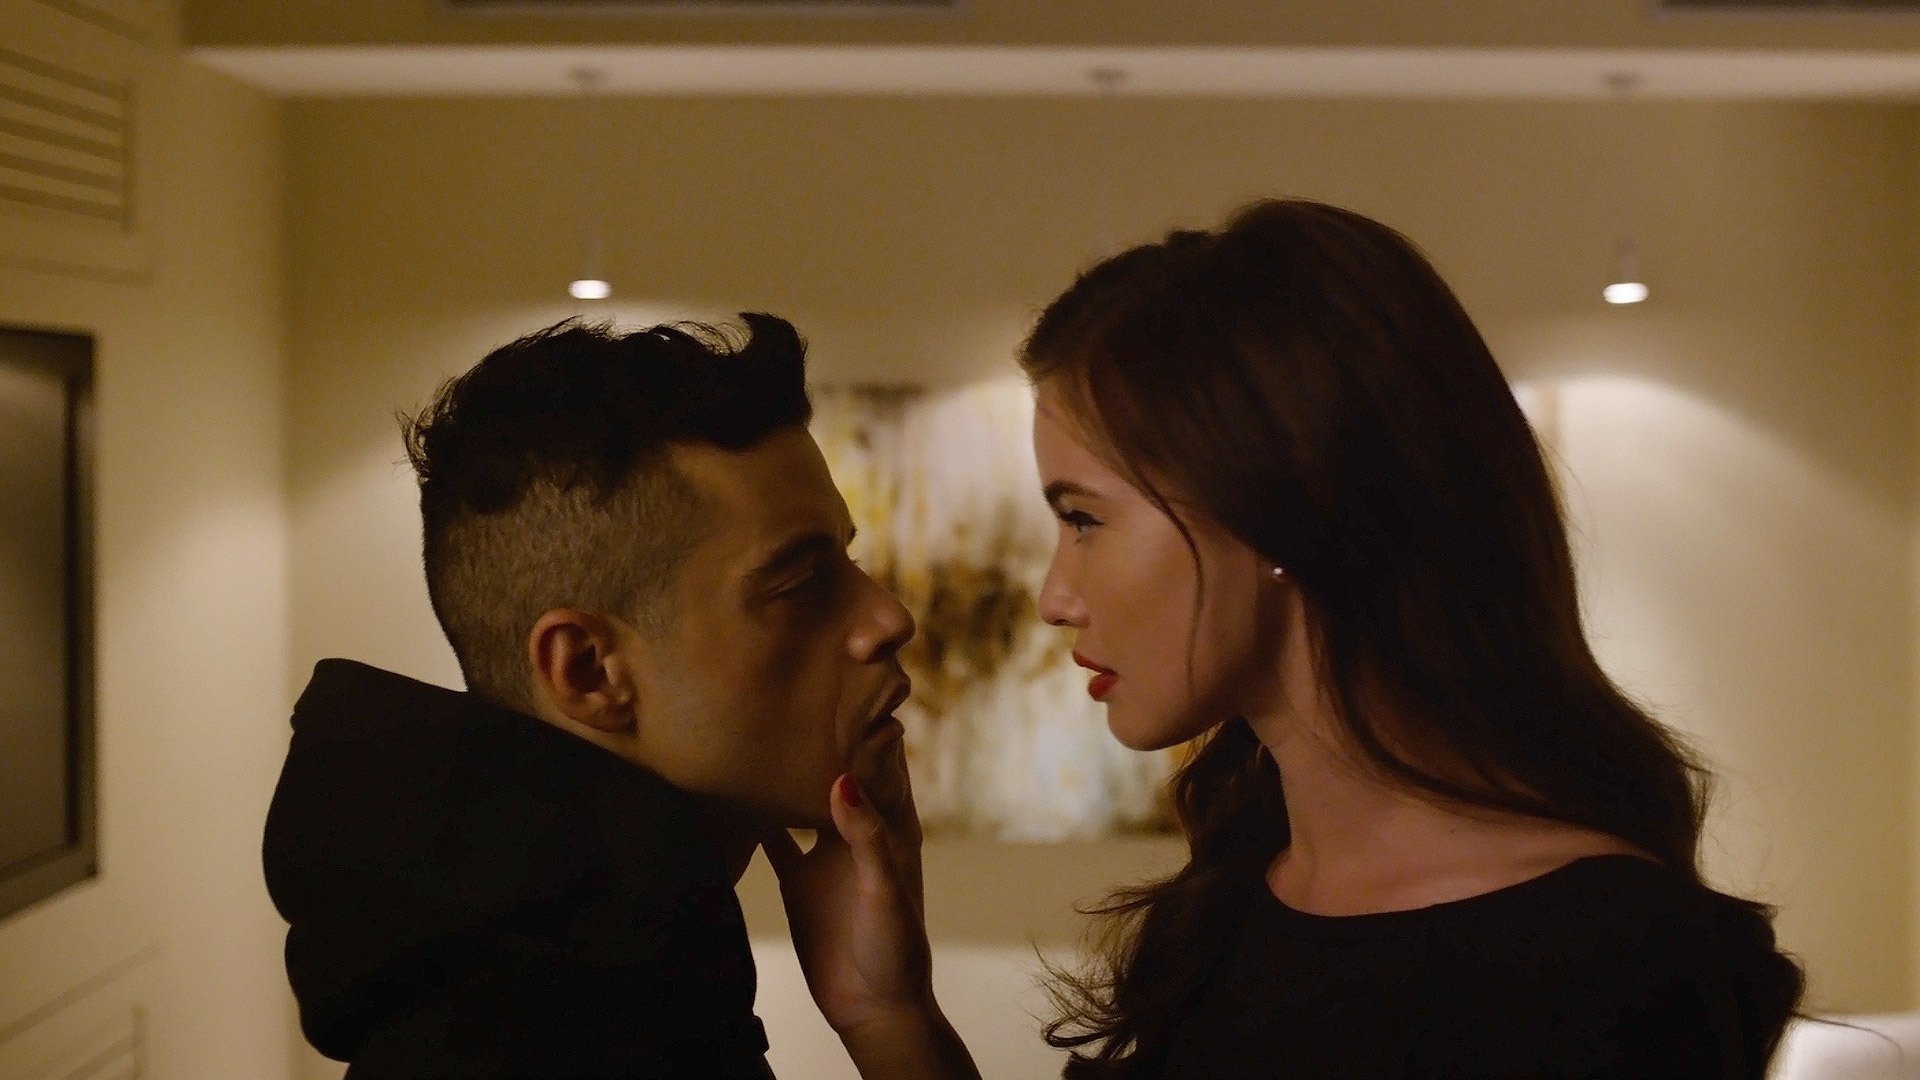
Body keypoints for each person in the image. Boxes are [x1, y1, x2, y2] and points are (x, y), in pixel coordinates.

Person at [768, 200, 1806, 1079]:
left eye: (1083, 519)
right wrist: (888, 1012)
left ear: (1271, 505)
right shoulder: (1233, 895)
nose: (1054, 596)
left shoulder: (1612, 960)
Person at [262, 315, 931, 1079]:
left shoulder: (618, 993)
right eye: (801, 585)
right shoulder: (540, 1047)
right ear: (589, 672)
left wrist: (889, 1019)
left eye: (849, 563)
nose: (889, 617)